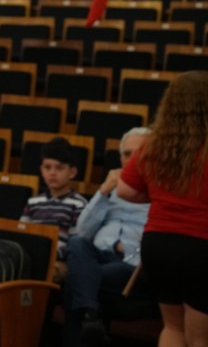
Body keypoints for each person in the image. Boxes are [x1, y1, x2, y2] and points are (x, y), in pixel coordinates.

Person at [118, 71, 208, 347]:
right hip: (201, 246)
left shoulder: (153, 145)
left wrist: (161, 198)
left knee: (172, 327)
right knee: (200, 337)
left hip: (158, 244)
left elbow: (125, 190)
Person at [63, 127, 150, 347]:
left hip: (130, 264)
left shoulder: (160, 192)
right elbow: (83, 231)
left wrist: (131, 253)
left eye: (139, 154)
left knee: (78, 278)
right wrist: (103, 192)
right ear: (120, 158)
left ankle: (89, 319)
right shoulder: (112, 189)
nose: (132, 160)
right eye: (127, 154)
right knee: (76, 242)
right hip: (98, 255)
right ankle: (92, 317)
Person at [21, 136, 88, 274]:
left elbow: (75, 244)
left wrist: (49, 253)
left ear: (72, 172)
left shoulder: (79, 204)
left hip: (58, 260)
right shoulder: (33, 202)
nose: (52, 173)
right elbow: (22, 232)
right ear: (41, 170)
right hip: (30, 254)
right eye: (47, 167)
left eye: (59, 168)